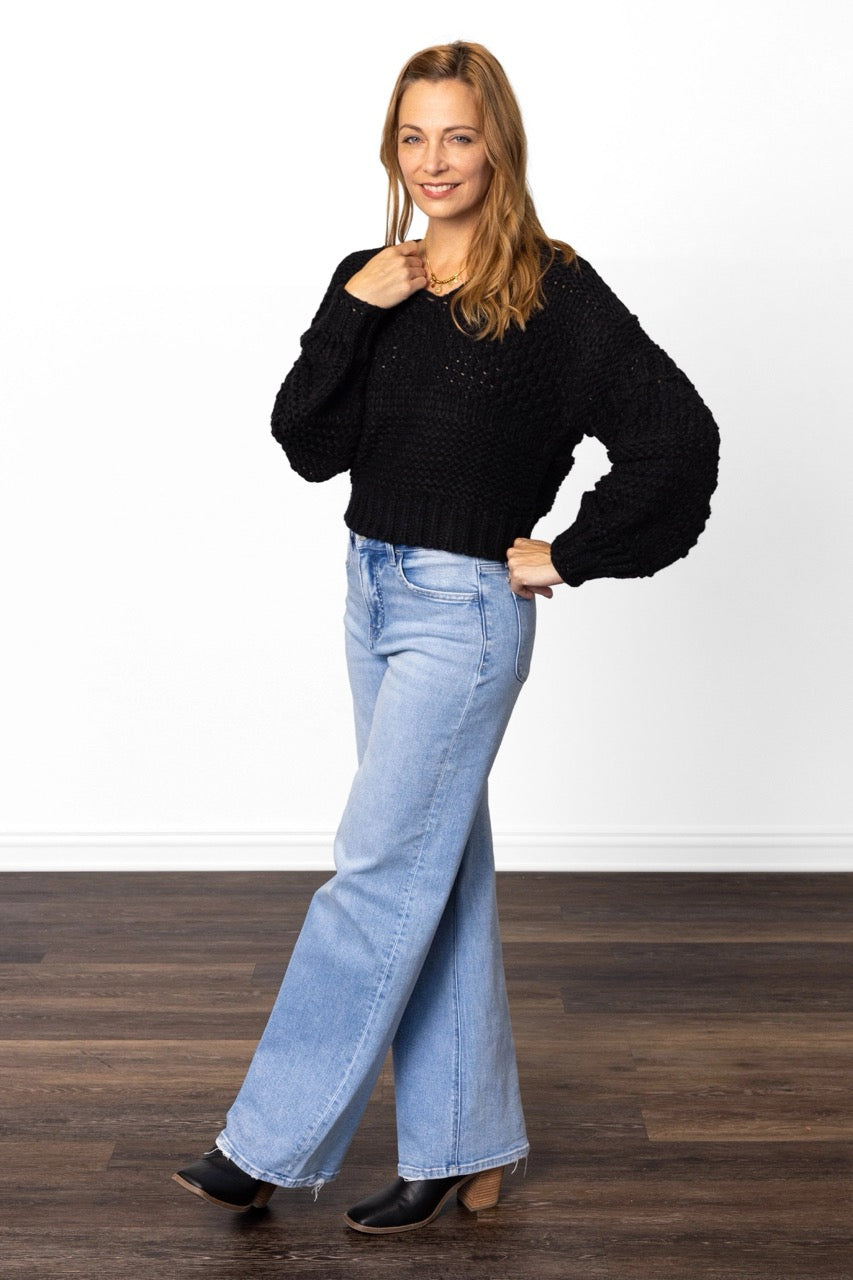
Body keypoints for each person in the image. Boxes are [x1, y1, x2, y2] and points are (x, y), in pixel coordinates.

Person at [172, 40, 720, 1234]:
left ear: (497, 145)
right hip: (370, 591)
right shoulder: (372, 277)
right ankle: (466, 1146)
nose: (434, 161)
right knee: (438, 871)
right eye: (413, 137)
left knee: (375, 873)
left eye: (458, 136)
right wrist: (349, 309)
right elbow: (308, 444)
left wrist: (570, 550)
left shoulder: (553, 291)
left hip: (461, 614)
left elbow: (679, 438)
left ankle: (261, 1144)